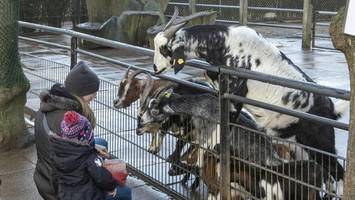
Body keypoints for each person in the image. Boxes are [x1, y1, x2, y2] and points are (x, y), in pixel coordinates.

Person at [33, 61, 111, 199]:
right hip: (58, 188)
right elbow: (80, 163)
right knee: (124, 192)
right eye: (92, 91)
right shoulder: (68, 120)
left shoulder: (49, 105)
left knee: (101, 142)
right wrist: (107, 182)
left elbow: (70, 152)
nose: (95, 95)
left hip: (43, 176)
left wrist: (94, 147)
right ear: (81, 91)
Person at [49, 111, 131, 200]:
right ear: (87, 136)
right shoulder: (88, 156)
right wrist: (111, 187)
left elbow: (54, 177)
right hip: (87, 196)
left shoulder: (57, 152)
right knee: (126, 192)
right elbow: (102, 177)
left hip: (64, 195)